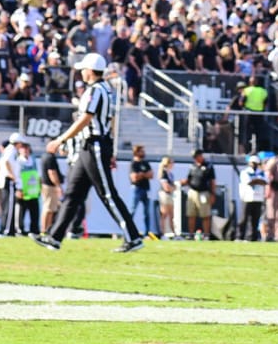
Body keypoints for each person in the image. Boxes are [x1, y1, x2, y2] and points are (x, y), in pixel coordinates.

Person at [34, 52, 144, 253]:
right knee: (73, 194)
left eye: (83, 69)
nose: (81, 72)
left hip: (94, 145)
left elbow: (85, 118)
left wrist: (61, 139)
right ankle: (54, 237)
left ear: (91, 71)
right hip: (89, 146)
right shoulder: (103, 89)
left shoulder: (95, 90)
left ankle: (133, 236)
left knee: (108, 194)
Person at [182, 149, 217, 239]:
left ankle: (206, 235)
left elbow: (212, 181)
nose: (196, 159)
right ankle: (191, 234)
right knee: (191, 214)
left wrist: (213, 194)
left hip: (204, 192)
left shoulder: (208, 166)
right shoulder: (192, 166)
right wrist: (182, 182)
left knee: (205, 215)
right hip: (192, 192)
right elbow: (189, 179)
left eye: (197, 156)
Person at [128, 143, 153, 236]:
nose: (144, 152)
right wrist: (143, 174)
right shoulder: (133, 164)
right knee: (132, 210)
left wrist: (141, 174)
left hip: (146, 189)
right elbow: (134, 178)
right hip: (137, 189)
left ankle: (147, 233)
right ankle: (129, 231)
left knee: (147, 213)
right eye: (141, 151)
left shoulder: (145, 163)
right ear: (136, 152)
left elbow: (151, 175)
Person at [157, 154, 177, 238]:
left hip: (170, 195)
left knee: (171, 215)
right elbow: (166, 187)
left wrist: (173, 188)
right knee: (164, 214)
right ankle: (163, 233)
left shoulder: (170, 174)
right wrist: (173, 188)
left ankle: (173, 232)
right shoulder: (163, 173)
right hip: (165, 195)